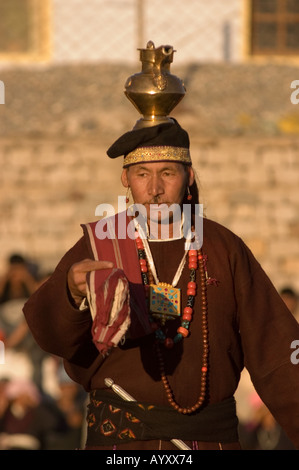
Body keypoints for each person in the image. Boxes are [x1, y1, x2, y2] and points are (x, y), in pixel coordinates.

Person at [23, 118, 299, 451]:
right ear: (126, 178)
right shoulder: (102, 245)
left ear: (189, 177)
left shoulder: (224, 247)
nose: (155, 189)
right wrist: (71, 292)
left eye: (167, 172)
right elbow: (50, 333)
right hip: (119, 447)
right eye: (142, 174)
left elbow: (277, 350)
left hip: (210, 442)